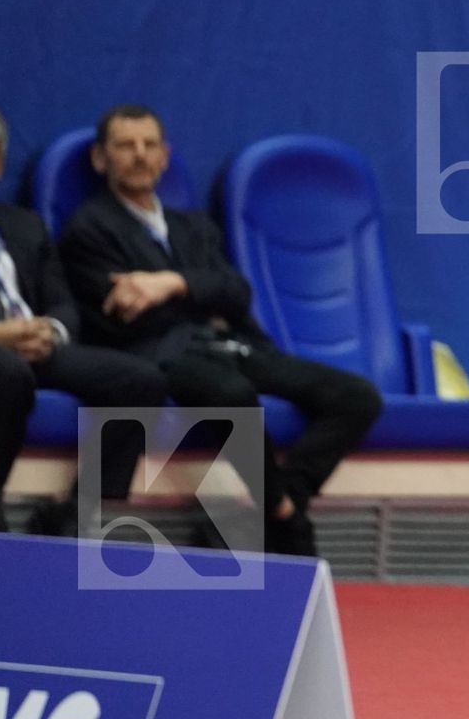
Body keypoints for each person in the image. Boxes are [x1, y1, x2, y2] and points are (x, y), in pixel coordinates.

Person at [59, 105, 384, 556]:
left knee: (357, 397)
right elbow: (128, 316)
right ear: (100, 159)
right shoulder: (88, 228)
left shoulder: (193, 226)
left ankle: (272, 505)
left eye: (149, 145)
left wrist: (170, 283)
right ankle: (283, 517)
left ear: (165, 156)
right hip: (163, 354)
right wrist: (199, 297)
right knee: (231, 395)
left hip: (233, 344)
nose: (139, 155)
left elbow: (236, 292)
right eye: (125, 145)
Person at [0, 100, 169, 536]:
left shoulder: (25, 225)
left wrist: (50, 330)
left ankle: (79, 510)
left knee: (142, 379)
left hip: (34, 342)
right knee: (5, 368)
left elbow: (63, 301)